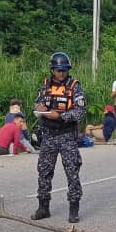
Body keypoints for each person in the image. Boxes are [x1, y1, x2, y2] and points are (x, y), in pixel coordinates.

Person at [31, 52, 87, 223]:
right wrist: (40, 107)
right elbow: (37, 102)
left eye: (64, 70)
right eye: (58, 70)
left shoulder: (74, 86)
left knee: (72, 172)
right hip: (48, 135)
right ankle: (43, 207)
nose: (61, 73)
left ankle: (74, 209)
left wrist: (60, 116)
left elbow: (81, 111)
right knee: (44, 172)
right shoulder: (46, 85)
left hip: (67, 135)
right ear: (52, 70)